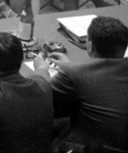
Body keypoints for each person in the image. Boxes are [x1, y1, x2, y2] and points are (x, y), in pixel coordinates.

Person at [36, 16, 128, 151]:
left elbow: (38, 96)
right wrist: (71, 66)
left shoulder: (74, 73)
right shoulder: (76, 71)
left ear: (89, 45)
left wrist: (41, 70)